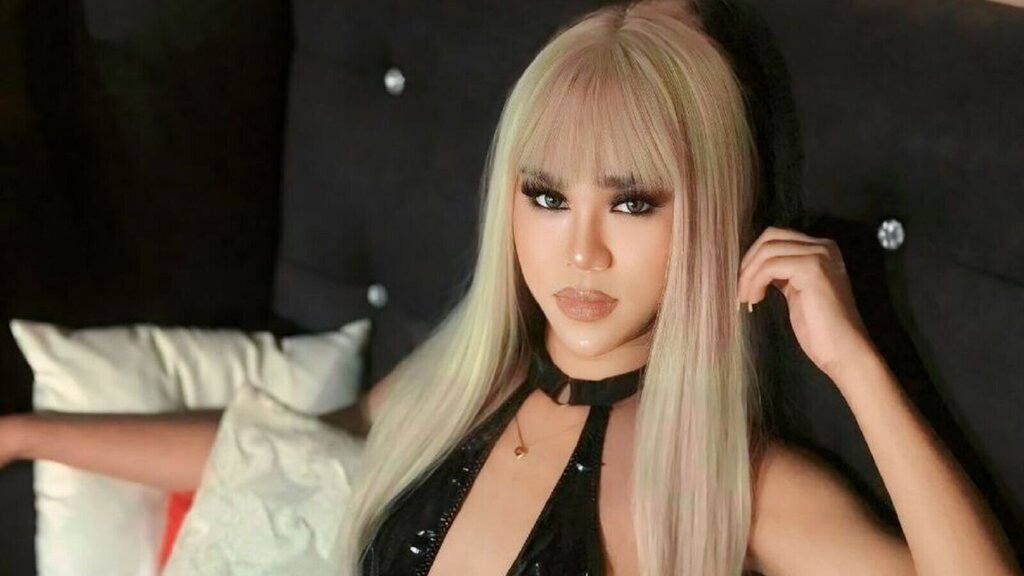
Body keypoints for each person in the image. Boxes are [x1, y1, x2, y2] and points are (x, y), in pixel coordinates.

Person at [1, 1, 1020, 575]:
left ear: (707, 218)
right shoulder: (459, 385)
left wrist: (854, 365)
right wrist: (25, 434)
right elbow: (277, 450)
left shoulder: (732, 485)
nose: (580, 252)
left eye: (632, 203)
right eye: (546, 196)